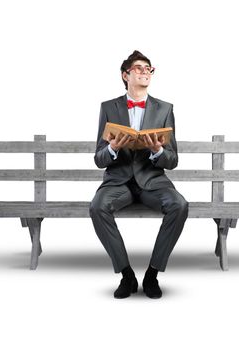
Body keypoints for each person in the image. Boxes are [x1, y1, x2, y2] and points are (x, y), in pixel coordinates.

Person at [89, 50, 189, 299]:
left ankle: (152, 273)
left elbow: (173, 159)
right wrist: (112, 147)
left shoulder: (165, 108)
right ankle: (126, 274)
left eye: (149, 69)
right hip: (118, 182)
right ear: (126, 75)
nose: (146, 72)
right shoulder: (108, 107)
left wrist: (157, 150)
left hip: (152, 182)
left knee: (180, 205)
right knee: (97, 207)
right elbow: (98, 158)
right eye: (139, 68)